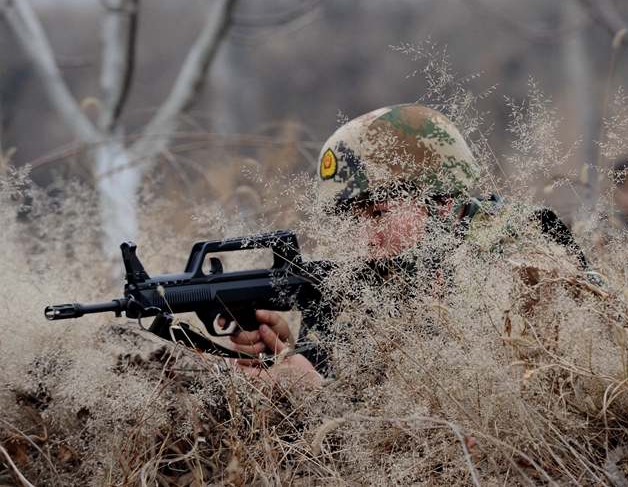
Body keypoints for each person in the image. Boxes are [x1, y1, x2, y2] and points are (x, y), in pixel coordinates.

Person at [226, 103, 582, 384]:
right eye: (353, 220)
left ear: (442, 202)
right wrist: (290, 353)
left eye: (379, 213)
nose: (365, 239)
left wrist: (315, 392)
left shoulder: (516, 248)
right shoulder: (374, 278)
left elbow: (482, 401)